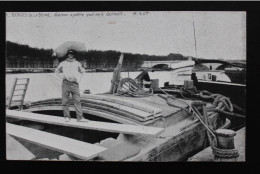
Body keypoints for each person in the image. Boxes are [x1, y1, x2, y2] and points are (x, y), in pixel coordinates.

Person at [55, 50, 88, 122]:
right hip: (66, 83)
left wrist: (78, 80)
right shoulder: (63, 63)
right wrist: (62, 76)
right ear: (67, 55)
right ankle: (67, 116)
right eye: (69, 54)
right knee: (65, 100)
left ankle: (80, 118)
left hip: (75, 84)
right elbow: (56, 71)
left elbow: (83, 71)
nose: (71, 55)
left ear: (74, 55)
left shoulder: (77, 63)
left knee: (77, 101)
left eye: (72, 54)